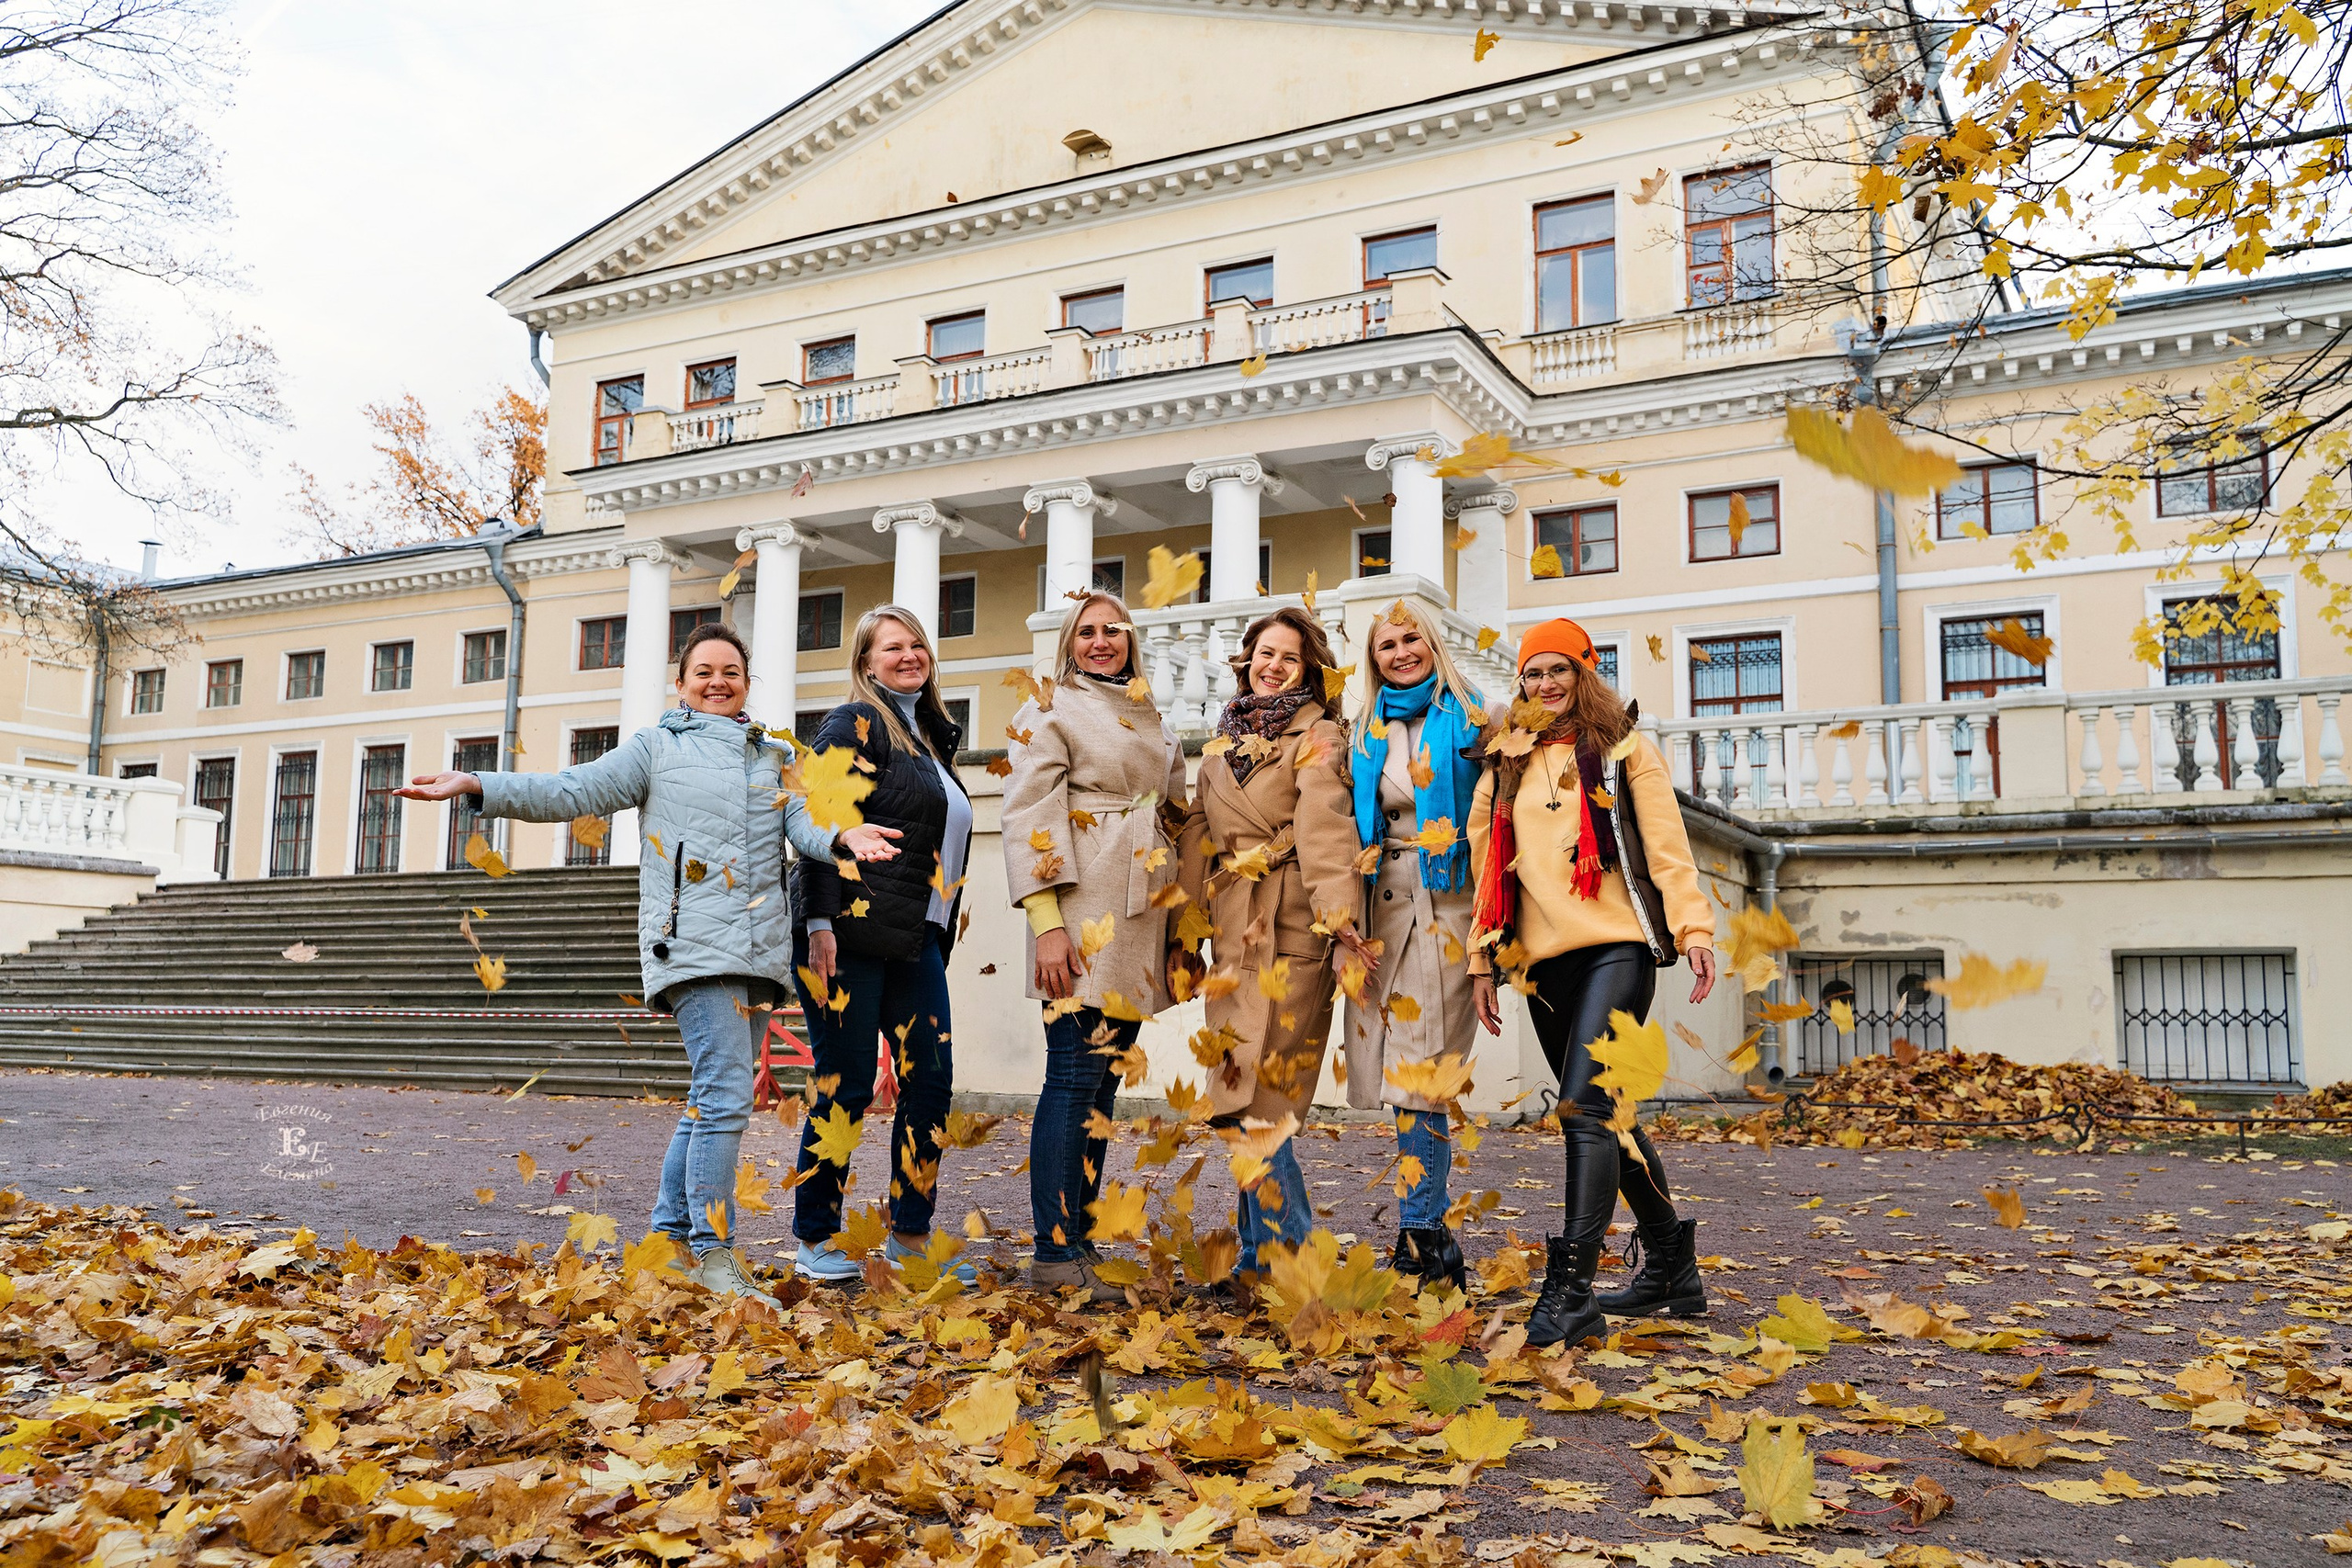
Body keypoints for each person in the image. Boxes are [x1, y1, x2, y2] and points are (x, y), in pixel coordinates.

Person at [394, 626, 889, 1305]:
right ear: (680, 684)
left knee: (714, 1095)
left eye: (732, 672)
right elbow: (572, 791)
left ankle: (669, 1241)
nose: (719, 681)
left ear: (747, 683)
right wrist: (479, 783)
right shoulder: (658, 748)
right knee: (723, 1096)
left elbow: (802, 828)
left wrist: (841, 836)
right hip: (689, 943)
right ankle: (715, 1253)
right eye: (704, 671)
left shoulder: (775, 757)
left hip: (758, 951)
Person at [1466, 617, 1719, 1348]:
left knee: (1581, 1108)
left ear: (1585, 672)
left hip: (1618, 946)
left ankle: (1570, 1290)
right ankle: (1672, 1264)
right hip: (1542, 962)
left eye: (1559, 670)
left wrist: (1694, 930)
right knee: (1607, 1114)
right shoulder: (1504, 762)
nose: (1545, 685)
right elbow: (1489, 868)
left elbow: (1669, 851)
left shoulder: (1624, 750)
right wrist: (1483, 960)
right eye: (1532, 673)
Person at [1171, 605, 1374, 1280]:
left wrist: (1341, 926)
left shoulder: (1318, 735)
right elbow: (1198, 840)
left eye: (1289, 657)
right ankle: (1263, 1258)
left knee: (1260, 1107)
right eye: (1264, 653)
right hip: (1233, 935)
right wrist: (1185, 936)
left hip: (1294, 930)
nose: (1274, 665)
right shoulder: (1218, 744)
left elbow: (1326, 832)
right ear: (1246, 659)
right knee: (1239, 1095)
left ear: (1308, 668)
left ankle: (1299, 1256)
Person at [1001, 591, 1188, 1303]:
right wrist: (1046, 922)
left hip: (1140, 912)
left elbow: (1175, 812)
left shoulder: (1149, 709)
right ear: (1070, 643)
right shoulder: (1048, 706)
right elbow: (1029, 818)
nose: (1101, 640)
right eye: (1088, 631)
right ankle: (1052, 1249)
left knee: (1103, 1082)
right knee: (1073, 1075)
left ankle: (1077, 1238)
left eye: (1114, 629)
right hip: (1080, 913)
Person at [786, 604, 978, 1287]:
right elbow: (817, 820)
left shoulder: (929, 733)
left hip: (915, 935)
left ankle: (910, 1235)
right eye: (890, 646)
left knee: (930, 1080)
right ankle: (814, 1238)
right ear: (866, 662)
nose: (908, 654)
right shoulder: (853, 723)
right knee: (847, 1085)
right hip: (848, 933)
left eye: (916, 643)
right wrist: (818, 924)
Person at [1346, 600, 1485, 1292]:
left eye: (1411, 639)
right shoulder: (1364, 732)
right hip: (1380, 915)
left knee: (1424, 1077)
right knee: (1401, 1072)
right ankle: (1424, 1236)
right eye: (1386, 645)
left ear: (1432, 643)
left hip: (1449, 912)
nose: (1400, 652)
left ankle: (1422, 1236)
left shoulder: (1472, 717)